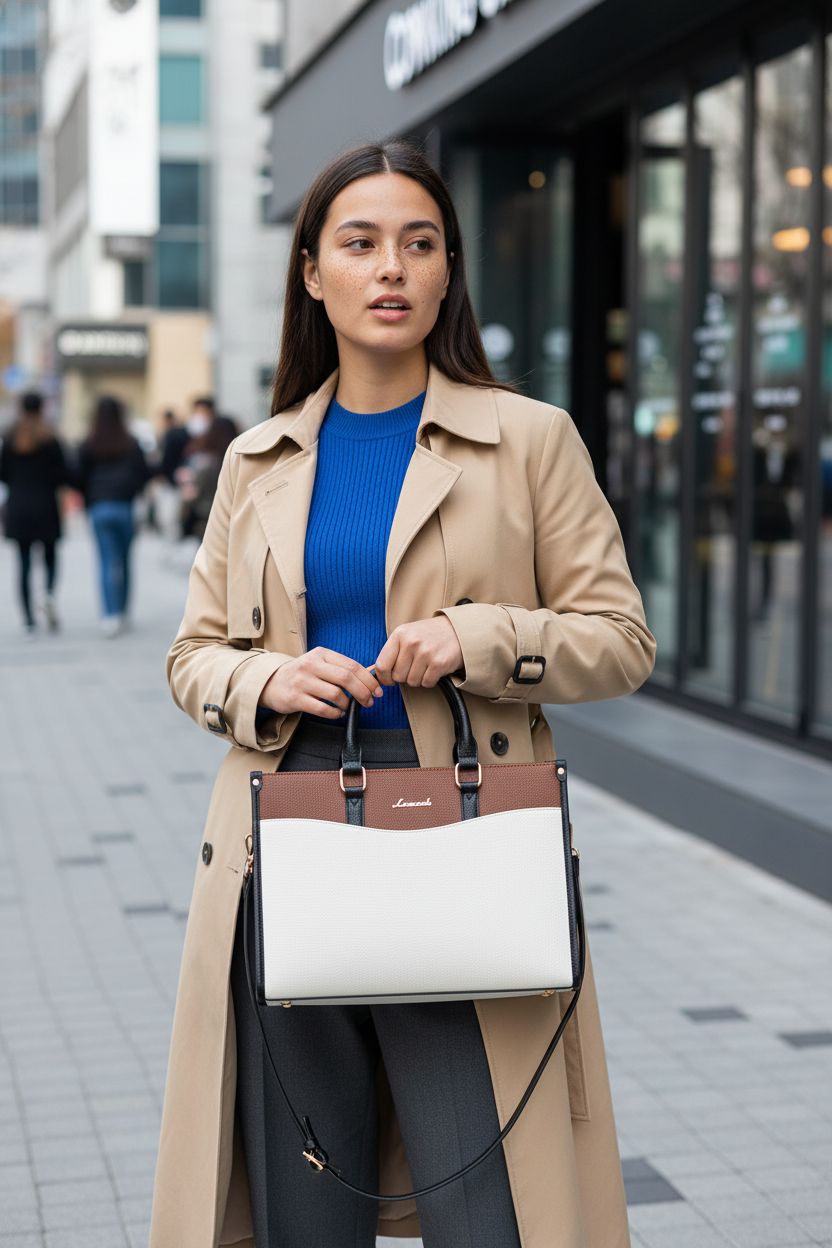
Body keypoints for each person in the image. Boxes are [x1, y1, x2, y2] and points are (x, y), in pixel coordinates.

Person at [150, 140, 656, 1248]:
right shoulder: (258, 458)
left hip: (459, 838)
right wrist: (265, 675)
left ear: (447, 270)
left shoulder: (527, 440)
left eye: (419, 244)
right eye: (361, 243)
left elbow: (620, 641)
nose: (392, 269)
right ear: (311, 272)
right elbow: (192, 653)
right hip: (280, 840)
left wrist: (475, 638)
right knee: (303, 1200)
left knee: (487, 1198)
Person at [75, 394, 151, 637]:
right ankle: (124, 610)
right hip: (124, 507)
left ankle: (110, 615)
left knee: (106, 561)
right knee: (125, 560)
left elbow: (78, 476)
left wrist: (89, 498)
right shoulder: (131, 443)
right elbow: (143, 473)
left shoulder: (88, 443)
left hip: (99, 507)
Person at [0, 390, 72, 637]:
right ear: (42, 407)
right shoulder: (51, 438)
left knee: (23, 563)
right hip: (46, 505)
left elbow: (3, 473)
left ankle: (29, 619)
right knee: (50, 556)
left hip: (18, 506)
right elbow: (63, 474)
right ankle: (49, 593)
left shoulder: (10, 437)